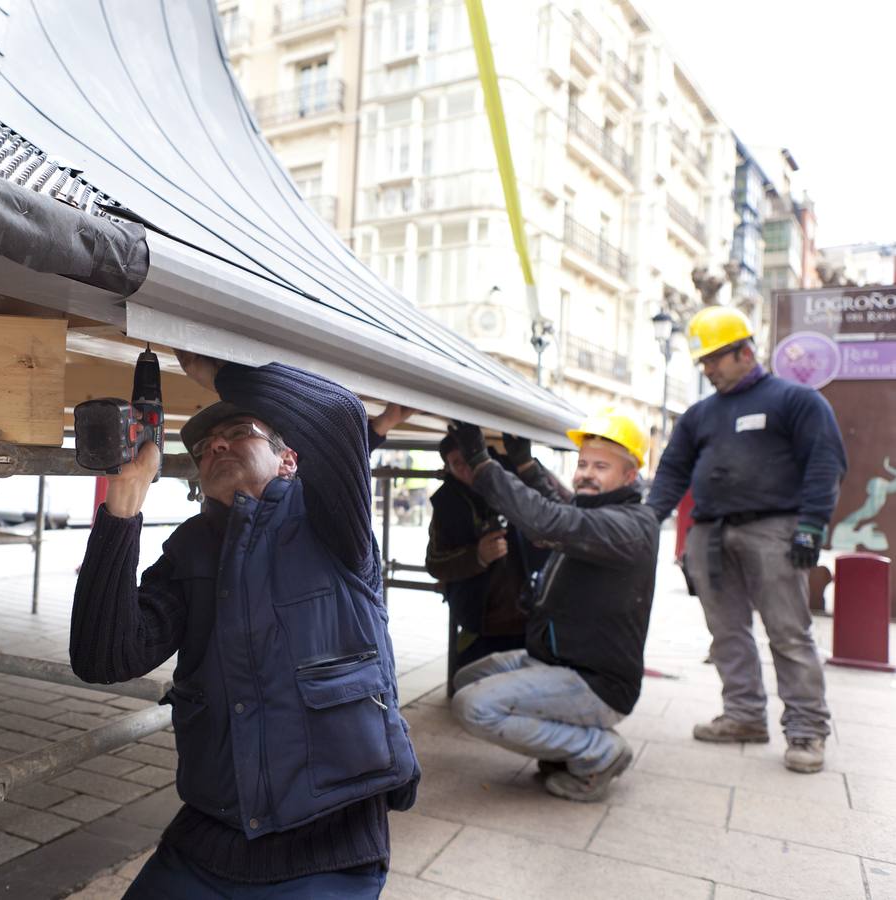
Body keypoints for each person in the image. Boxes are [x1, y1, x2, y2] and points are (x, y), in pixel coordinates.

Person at [69, 354, 419, 898]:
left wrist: (218, 375)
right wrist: (125, 502)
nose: (216, 446)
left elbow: (337, 412)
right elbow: (104, 657)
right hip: (209, 838)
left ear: (289, 461)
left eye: (238, 432)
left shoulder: (331, 526)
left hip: (329, 847)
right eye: (205, 445)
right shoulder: (191, 547)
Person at [646, 305, 847, 774]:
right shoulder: (699, 415)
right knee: (727, 633)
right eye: (703, 363)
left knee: (789, 633)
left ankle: (806, 730)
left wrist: (812, 526)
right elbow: (673, 471)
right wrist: (646, 521)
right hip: (710, 535)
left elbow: (825, 461)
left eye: (716, 359)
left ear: (745, 351)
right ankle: (743, 715)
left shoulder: (795, 401)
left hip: (774, 529)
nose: (708, 369)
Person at [448, 411, 659, 802]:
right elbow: (560, 505)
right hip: (556, 661)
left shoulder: (630, 527)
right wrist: (527, 466)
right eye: (582, 464)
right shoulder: (599, 514)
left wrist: (482, 465)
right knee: (463, 678)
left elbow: (551, 520)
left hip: (596, 684)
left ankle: (598, 751)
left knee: (473, 707)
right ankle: (569, 742)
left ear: (630, 477)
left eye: (601, 466)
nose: (585, 474)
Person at [425, 432, 562, 674]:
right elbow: (435, 563)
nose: (466, 468)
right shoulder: (447, 503)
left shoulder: (517, 480)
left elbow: (561, 518)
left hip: (531, 617)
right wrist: (477, 556)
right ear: (448, 467)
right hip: (481, 621)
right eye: (457, 463)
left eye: (470, 458)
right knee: (472, 686)